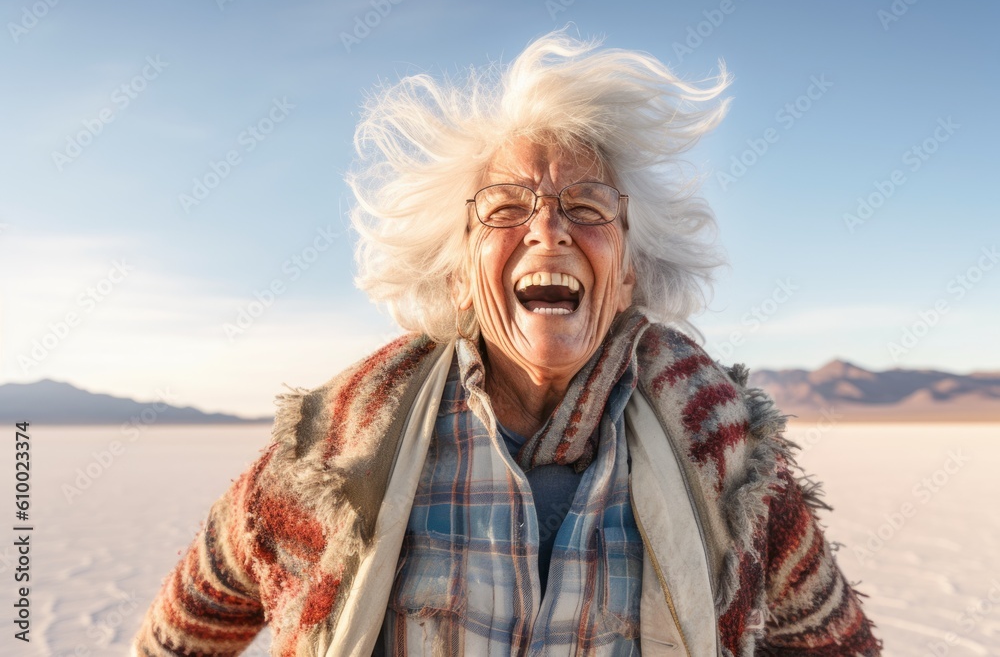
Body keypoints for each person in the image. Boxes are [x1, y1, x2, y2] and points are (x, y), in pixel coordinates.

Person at [132, 32, 882, 657]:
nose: (548, 228)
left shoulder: (724, 457)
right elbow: (189, 618)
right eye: (505, 209)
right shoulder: (341, 451)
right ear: (459, 275)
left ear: (627, 275)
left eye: (587, 207)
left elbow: (837, 643)